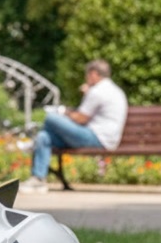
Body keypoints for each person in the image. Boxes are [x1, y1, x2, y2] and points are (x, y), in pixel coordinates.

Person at [20, 59, 128, 193]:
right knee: (44, 137)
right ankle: (38, 179)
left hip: (96, 138)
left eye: (87, 74)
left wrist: (63, 111)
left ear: (94, 74)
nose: (86, 78)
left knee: (51, 118)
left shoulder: (98, 91)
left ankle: (32, 147)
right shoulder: (114, 90)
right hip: (104, 138)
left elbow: (80, 118)